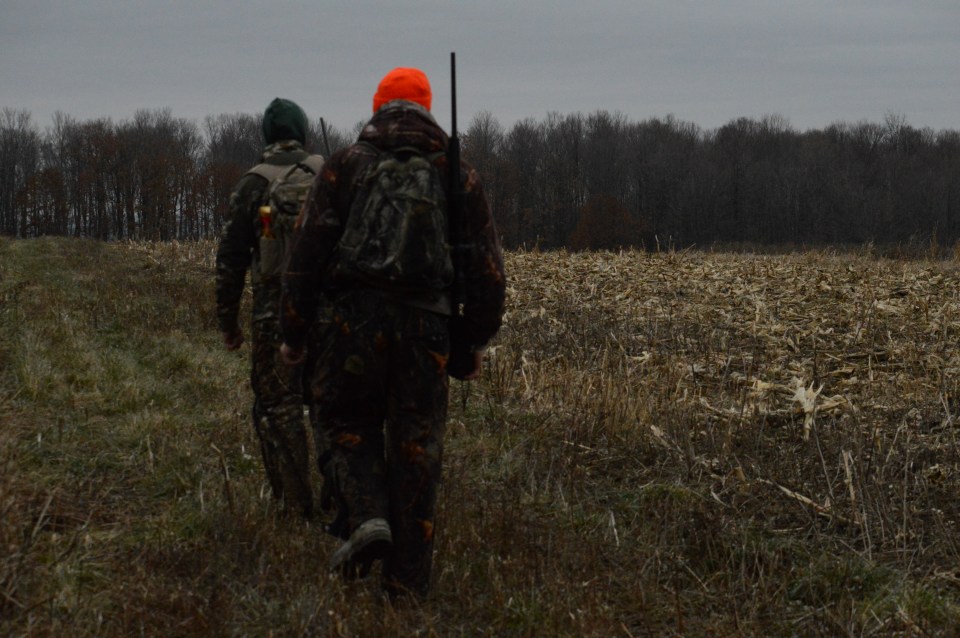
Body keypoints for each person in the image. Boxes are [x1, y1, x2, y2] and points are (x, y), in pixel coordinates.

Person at [279, 67, 506, 599]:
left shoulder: (344, 165)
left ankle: (366, 516)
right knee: (417, 452)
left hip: (351, 325)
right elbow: (487, 272)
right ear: (427, 109)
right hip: (427, 330)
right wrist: (471, 342)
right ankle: (405, 592)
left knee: (344, 420)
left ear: (377, 108)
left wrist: (294, 332)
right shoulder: (457, 174)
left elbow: (305, 256)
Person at [215, 97, 324, 519]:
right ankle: (344, 500)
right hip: (329, 313)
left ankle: (296, 510)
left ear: (266, 136)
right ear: (303, 133)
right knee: (331, 404)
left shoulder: (253, 184)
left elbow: (231, 259)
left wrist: (228, 322)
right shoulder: (328, 175)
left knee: (278, 407)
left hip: (273, 315)